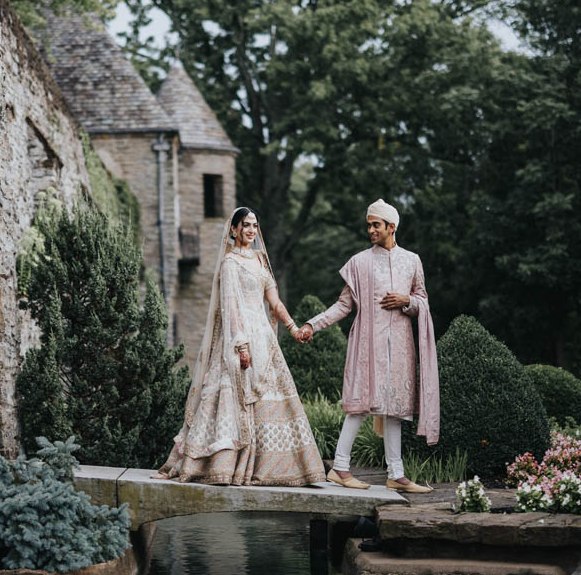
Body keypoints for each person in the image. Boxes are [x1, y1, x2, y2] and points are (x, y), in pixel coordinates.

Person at [154, 207, 325, 486]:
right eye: (246, 225)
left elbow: (274, 301)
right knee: (226, 400)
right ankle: (222, 466)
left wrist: (294, 327)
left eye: (255, 225)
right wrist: (241, 347)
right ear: (233, 229)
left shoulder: (260, 261)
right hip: (238, 341)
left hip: (265, 341)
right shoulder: (230, 263)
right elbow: (231, 307)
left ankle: (273, 469)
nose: (251, 230)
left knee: (273, 403)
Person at [295, 199, 440, 494]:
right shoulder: (360, 262)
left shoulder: (412, 261)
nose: (371, 229)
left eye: (376, 224)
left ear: (392, 227)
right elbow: (343, 305)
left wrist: (407, 301)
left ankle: (395, 474)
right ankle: (339, 467)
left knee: (395, 409)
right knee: (361, 404)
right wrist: (312, 324)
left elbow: (422, 301)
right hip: (367, 344)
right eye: (369, 225)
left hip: (400, 345)